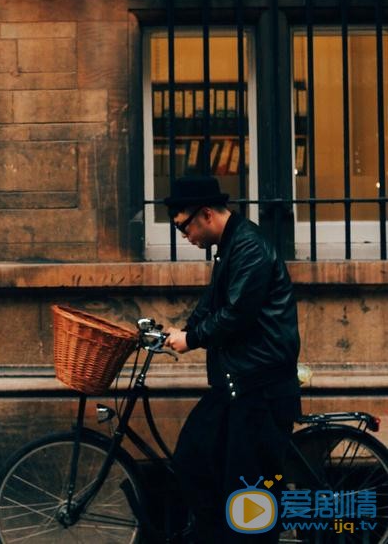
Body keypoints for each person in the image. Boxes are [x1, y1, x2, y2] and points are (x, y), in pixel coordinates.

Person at [163, 175, 301, 543]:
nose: (184, 237)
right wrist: (182, 329)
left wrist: (191, 339)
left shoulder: (249, 247)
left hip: (260, 386)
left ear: (205, 214)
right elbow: (212, 302)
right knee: (193, 458)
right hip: (237, 383)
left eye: (183, 227)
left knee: (248, 492)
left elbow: (237, 313)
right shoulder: (230, 246)